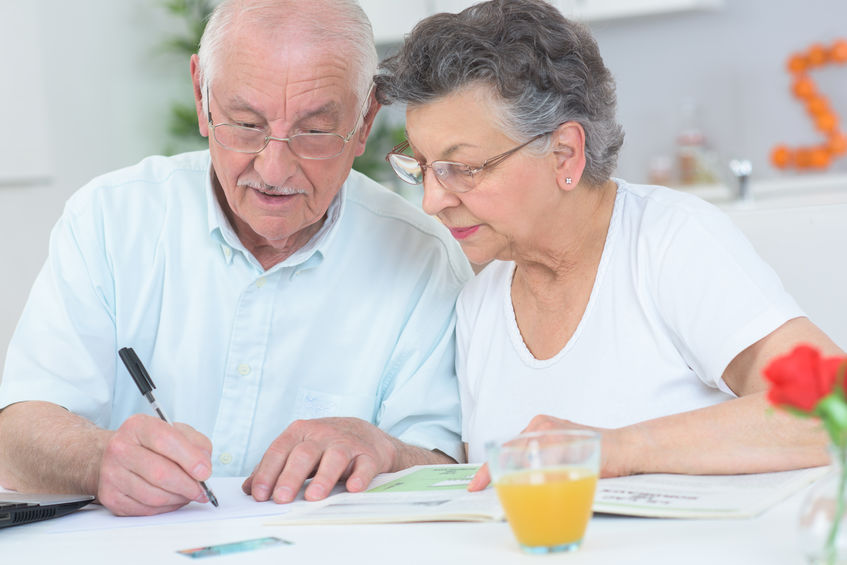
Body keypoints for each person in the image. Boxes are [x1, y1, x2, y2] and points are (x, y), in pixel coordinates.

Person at [0, 0, 472, 516]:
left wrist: (389, 451)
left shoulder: (421, 256)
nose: (274, 169)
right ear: (202, 97)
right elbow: (19, 429)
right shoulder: (111, 221)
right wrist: (98, 457)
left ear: (365, 121)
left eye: (314, 133)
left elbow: (444, 464)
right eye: (245, 124)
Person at [374, 0, 841, 489]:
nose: (431, 201)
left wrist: (615, 449)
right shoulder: (480, 302)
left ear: (564, 153)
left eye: (462, 168)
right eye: (422, 167)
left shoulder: (668, 243)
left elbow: (831, 408)